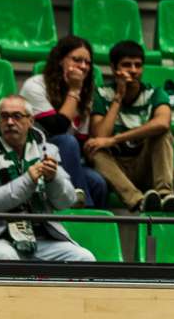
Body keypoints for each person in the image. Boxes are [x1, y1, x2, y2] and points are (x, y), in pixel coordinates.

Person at [0, 95, 94, 262]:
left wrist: (54, 179)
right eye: (4, 116)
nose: (9, 122)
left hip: (42, 237)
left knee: (84, 258)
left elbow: (65, 201)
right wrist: (27, 181)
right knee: (5, 256)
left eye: (16, 116)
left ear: (30, 121)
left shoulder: (47, 151)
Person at [87, 40, 174, 213]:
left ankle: (165, 196)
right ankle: (138, 201)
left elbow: (163, 122)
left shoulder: (154, 93)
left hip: (145, 165)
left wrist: (115, 139)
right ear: (114, 68)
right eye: (127, 65)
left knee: (163, 134)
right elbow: (100, 135)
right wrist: (119, 97)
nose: (133, 71)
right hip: (116, 170)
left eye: (138, 65)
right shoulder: (102, 93)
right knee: (94, 150)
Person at [20, 35, 108, 209]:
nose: (82, 66)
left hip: (68, 158)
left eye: (87, 63)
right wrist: (74, 90)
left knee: (98, 182)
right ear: (60, 60)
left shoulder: (87, 95)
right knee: (66, 141)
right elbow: (57, 127)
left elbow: (81, 140)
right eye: (76, 60)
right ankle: (79, 210)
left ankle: (96, 228)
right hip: (35, 155)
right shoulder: (36, 86)